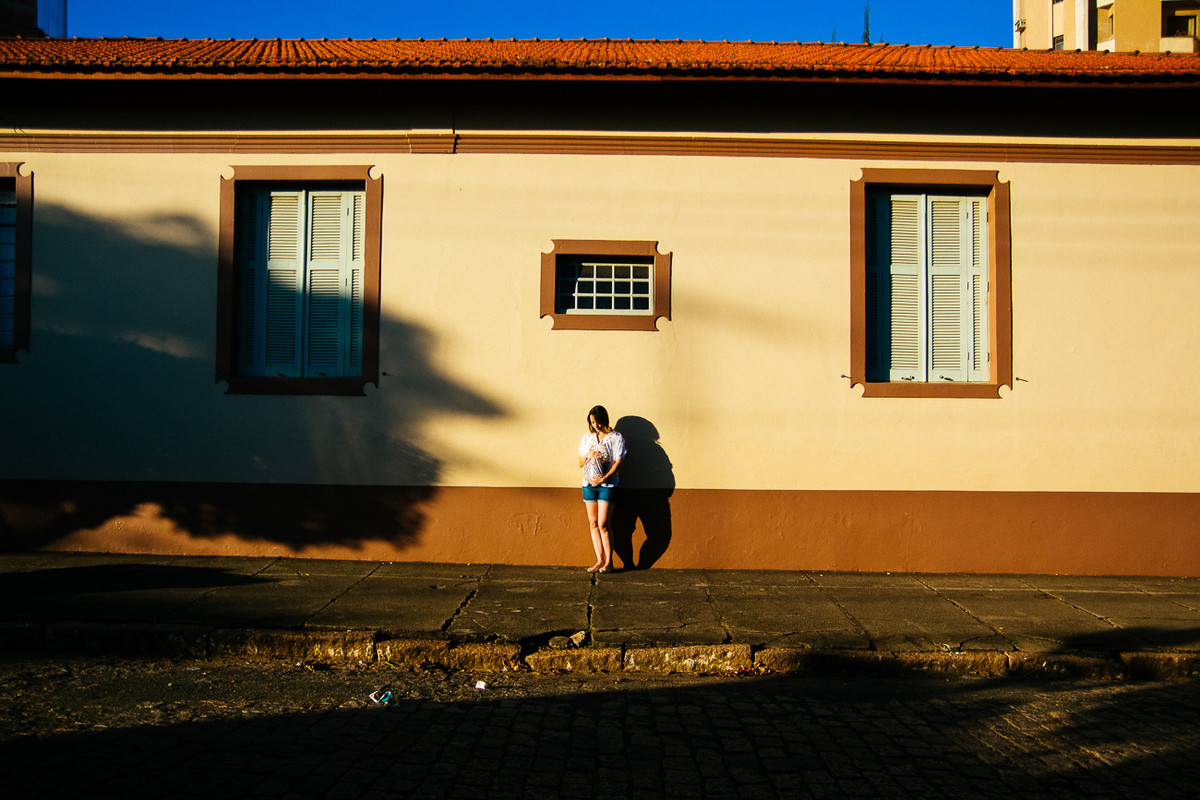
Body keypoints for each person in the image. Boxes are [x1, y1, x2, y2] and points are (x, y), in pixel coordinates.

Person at [577, 405, 626, 573]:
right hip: (588, 485)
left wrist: (604, 478)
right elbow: (580, 463)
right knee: (593, 523)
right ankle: (600, 560)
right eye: (592, 422)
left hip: (607, 485)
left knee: (604, 523)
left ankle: (609, 563)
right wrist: (587, 455)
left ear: (605, 420)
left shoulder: (615, 437)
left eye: (598, 422)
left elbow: (619, 462)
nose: (596, 425)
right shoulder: (587, 439)